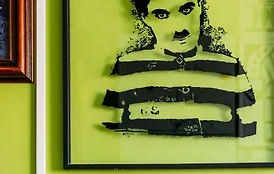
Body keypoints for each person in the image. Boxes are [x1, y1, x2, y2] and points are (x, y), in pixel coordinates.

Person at [102, 0, 256, 138]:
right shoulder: (127, 66)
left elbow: (249, 129)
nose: (180, 29)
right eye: (161, 15)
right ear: (144, 17)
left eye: (187, 10)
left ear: (200, 6)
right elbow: (109, 130)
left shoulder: (229, 67)